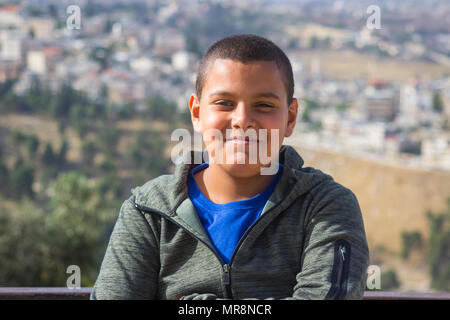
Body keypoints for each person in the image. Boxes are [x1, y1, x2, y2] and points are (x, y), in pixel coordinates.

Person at [91, 34, 369, 300]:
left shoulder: (325, 207)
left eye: (263, 105)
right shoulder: (149, 211)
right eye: (224, 103)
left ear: (290, 117)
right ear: (197, 114)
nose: (242, 120)